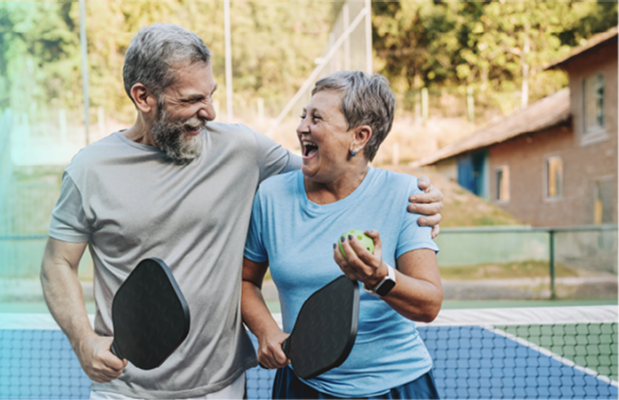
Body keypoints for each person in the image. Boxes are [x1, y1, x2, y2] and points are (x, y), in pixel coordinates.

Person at [40, 23, 444, 400]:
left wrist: (423, 197)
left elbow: (336, 169)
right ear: (143, 97)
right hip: (124, 387)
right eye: (193, 99)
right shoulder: (89, 170)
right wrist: (83, 340)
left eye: (210, 95)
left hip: (223, 387)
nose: (210, 111)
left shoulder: (242, 149)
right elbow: (57, 264)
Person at [240, 71, 443, 399]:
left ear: (360, 136)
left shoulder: (407, 194)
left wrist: (379, 278)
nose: (302, 127)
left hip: (399, 387)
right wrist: (266, 331)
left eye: (316, 118)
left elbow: (429, 304)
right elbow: (245, 281)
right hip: (303, 386)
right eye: (303, 115)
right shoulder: (271, 196)